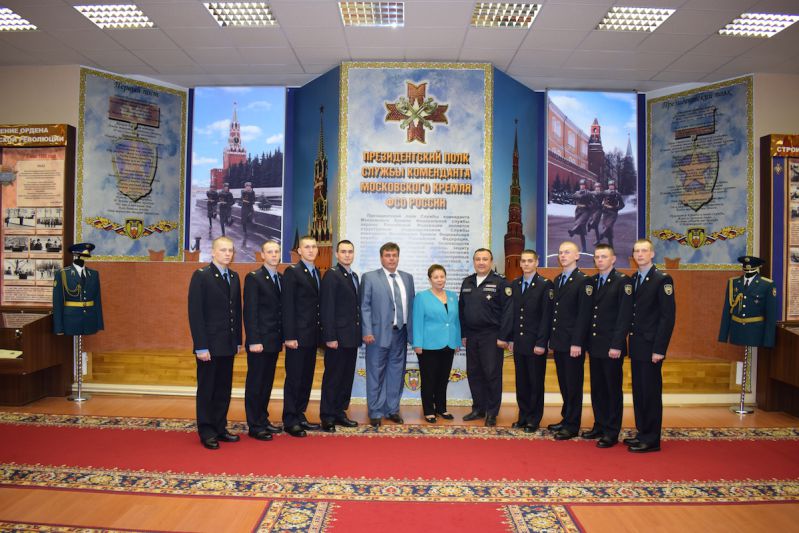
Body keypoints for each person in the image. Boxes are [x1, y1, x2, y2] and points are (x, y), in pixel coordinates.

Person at [187, 236, 242, 450]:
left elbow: (236, 311)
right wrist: (201, 346)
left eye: (230, 250)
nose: (227, 254)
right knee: (207, 389)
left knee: (223, 389)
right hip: (209, 345)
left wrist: (237, 341)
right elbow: (195, 313)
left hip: (227, 344)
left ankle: (220, 427)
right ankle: (207, 431)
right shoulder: (202, 276)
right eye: (223, 250)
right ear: (213, 252)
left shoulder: (234, 277)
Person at [626, 238, 676, 453]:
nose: (640, 254)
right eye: (636, 251)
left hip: (651, 346)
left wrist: (659, 349)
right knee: (639, 391)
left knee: (651, 393)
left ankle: (652, 439)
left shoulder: (662, 279)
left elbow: (667, 317)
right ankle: (642, 432)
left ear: (652, 254)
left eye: (644, 251)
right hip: (637, 344)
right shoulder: (634, 278)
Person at [360, 242, 415, 428]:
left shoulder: (407, 278)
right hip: (376, 335)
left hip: (400, 334)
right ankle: (375, 411)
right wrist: (367, 331)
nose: (391, 259)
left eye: (394, 255)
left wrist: (412, 334)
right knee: (375, 373)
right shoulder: (369, 277)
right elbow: (364, 306)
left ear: (398, 257)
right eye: (387, 255)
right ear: (381, 258)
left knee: (396, 373)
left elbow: (411, 307)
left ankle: (392, 410)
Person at [584, 244, 632, 448]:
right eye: (597, 257)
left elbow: (624, 316)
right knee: (597, 388)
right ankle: (600, 425)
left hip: (612, 346)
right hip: (595, 345)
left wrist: (617, 344)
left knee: (612, 389)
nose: (600, 260)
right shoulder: (592, 281)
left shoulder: (622, 281)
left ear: (613, 259)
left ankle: (612, 431)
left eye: (604, 256)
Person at [459, 248, 513, 426]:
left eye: (485, 259)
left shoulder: (501, 282)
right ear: (474, 262)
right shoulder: (467, 282)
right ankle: (478, 408)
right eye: (478, 259)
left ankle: (491, 412)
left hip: (492, 335)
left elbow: (508, 312)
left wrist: (503, 336)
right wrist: (464, 334)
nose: (481, 262)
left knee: (492, 374)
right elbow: (461, 310)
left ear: (491, 262)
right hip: (472, 335)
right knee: (474, 373)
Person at [548, 241, 592, 440]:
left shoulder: (583, 281)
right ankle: (566, 418)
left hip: (573, 344)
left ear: (577, 256)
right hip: (559, 341)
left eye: (567, 252)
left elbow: (584, 315)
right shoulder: (558, 279)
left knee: (573, 385)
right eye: (560, 252)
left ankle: (573, 425)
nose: (563, 256)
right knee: (564, 384)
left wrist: (577, 342)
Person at [242, 240, 284, 441]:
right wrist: (254, 340)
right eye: (270, 252)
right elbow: (250, 312)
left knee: (266, 383)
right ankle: (254, 425)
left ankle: (263, 419)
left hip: (274, 341)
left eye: (276, 251)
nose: (274, 255)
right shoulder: (254, 278)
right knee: (256, 383)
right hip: (259, 342)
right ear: (262, 255)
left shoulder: (281, 278)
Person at [281, 235, 323, 437]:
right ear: (299, 251)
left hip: (312, 336)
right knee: (295, 378)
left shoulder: (317, 272)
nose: (311, 250)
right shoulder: (292, 272)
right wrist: (289, 336)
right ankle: (290, 419)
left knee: (306, 378)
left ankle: (300, 414)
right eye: (307, 247)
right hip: (297, 337)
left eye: (314, 247)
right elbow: (287, 306)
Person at [508, 249, 553, 433]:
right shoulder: (515, 284)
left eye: (529, 261)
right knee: (521, 382)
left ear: (536, 262)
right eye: (523, 261)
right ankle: (523, 416)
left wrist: (542, 343)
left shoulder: (545, 285)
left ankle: (534, 419)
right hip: (519, 342)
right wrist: (511, 338)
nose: (526, 264)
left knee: (535, 382)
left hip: (535, 343)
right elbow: (512, 314)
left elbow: (546, 316)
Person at [319, 240, 362, 432]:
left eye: (350, 251)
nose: (347, 255)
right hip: (337, 338)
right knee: (333, 378)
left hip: (351, 337)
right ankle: (327, 416)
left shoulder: (354, 276)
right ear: (337, 254)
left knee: (345, 378)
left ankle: (339, 412)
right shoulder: (332, 274)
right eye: (343, 251)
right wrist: (330, 337)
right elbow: (327, 307)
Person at [412, 264, 460, 423]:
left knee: (443, 378)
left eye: (442, 276)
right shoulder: (422, 297)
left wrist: (457, 340)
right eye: (436, 277)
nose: (440, 280)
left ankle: (441, 408)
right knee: (429, 379)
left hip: (449, 344)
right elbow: (417, 321)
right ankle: (429, 410)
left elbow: (456, 321)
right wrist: (417, 343)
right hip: (428, 345)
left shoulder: (452, 296)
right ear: (430, 279)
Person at [718, 255, 777, 348]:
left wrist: (768, 341)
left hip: (755, 333)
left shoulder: (767, 284)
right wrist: (723, 336)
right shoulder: (733, 282)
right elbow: (727, 310)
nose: (748, 271)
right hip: (736, 331)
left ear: (757, 267)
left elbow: (771, 315)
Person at [53, 242, 104, 336]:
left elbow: (97, 299)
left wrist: (99, 323)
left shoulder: (94, 274)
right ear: (76, 254)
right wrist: (58, 327)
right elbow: (57, 302)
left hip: (90, 320)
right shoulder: (62, 274)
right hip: (71, 320)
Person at [568, 179, 594, 252]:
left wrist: (589, 206)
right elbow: (572, 197)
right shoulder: (577, 192)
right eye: (581, 185)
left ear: (586, 186)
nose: (582, 186)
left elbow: (595, 203)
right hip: (578, 211)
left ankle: (572, 231)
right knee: (581, 231)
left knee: (579, 222)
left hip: (586, 211)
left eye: (583, 185)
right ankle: (584, 248)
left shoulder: (589, 193)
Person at [597, 180, 624, 247]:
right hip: (605, 212)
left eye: (612, 185)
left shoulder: (617, 194)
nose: (611, 186)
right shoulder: (605, 192)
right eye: (610, 185)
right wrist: (601, 206)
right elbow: (599, 199)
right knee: (608, 229)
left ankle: (602, 234)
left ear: (614, 186)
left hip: (613, 213)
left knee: (608, 226)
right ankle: (611, 246)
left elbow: (622, 205)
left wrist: (616, 208)